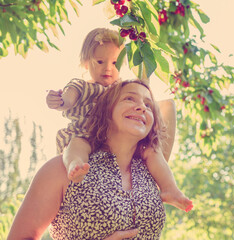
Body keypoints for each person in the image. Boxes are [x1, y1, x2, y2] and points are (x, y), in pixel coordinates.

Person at [46, 28, 192, 212]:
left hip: (109, 139)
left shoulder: (121, 88)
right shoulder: (82, 86)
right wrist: (60, 101)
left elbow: (145, 95)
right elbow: (69, 98)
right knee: (76, 147)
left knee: (152, 152)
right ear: (85, 62)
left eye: (115, 63)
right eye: (100, 61)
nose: (107, 68)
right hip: (85, 134)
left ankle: (169, 188)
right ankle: (75, 166)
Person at [8, 80, 175, 239]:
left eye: (148, 105)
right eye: (129, 98)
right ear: (106, 110)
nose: (142, 107)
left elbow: (169, 105)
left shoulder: (153, 171)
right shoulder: (62, 169)